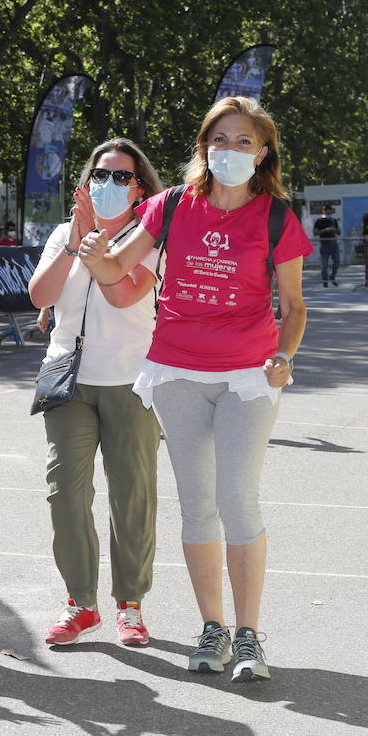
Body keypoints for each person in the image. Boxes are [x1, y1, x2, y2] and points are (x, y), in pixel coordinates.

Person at [78, 96, 312, 682]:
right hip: (177, 371)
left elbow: (295, 307)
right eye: (220, 139)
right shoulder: (172, 206)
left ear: (262, 153)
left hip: (247, 375)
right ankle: (214, 628)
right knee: (197, 505)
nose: (229, 150)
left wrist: (284, 355)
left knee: (238, 498)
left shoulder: (277, 217)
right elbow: (117, 271)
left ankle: (251, 635)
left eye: (243, 142)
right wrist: (94, 254)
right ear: (204, 146)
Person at [28, 139, 164, 647]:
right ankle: (81, 604)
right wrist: (74, 243)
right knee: (65, 493)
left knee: (132, 496)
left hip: (132, 381)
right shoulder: (64, 233)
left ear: (140, 187)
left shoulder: (149, 237)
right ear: (87, 184)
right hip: (68, 380)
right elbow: (40, 295)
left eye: (122, 177)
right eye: (101, 176)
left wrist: (100, 250)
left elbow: (125, 291)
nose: (110, 185)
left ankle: (130, 604)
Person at [313, 205, 340, 287]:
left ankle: (333, 277)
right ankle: (325, 280)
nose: (328, 213)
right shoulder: (319, 221)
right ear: (323, 211)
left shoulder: (333, 220)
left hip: (333, 244)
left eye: (330, 212)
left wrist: (334, 230)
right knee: (324, 265)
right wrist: (325, 230)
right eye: (326, 212)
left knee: (337, 261)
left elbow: (339, 232)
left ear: (331, 211)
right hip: (324, 244)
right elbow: (315, 232)